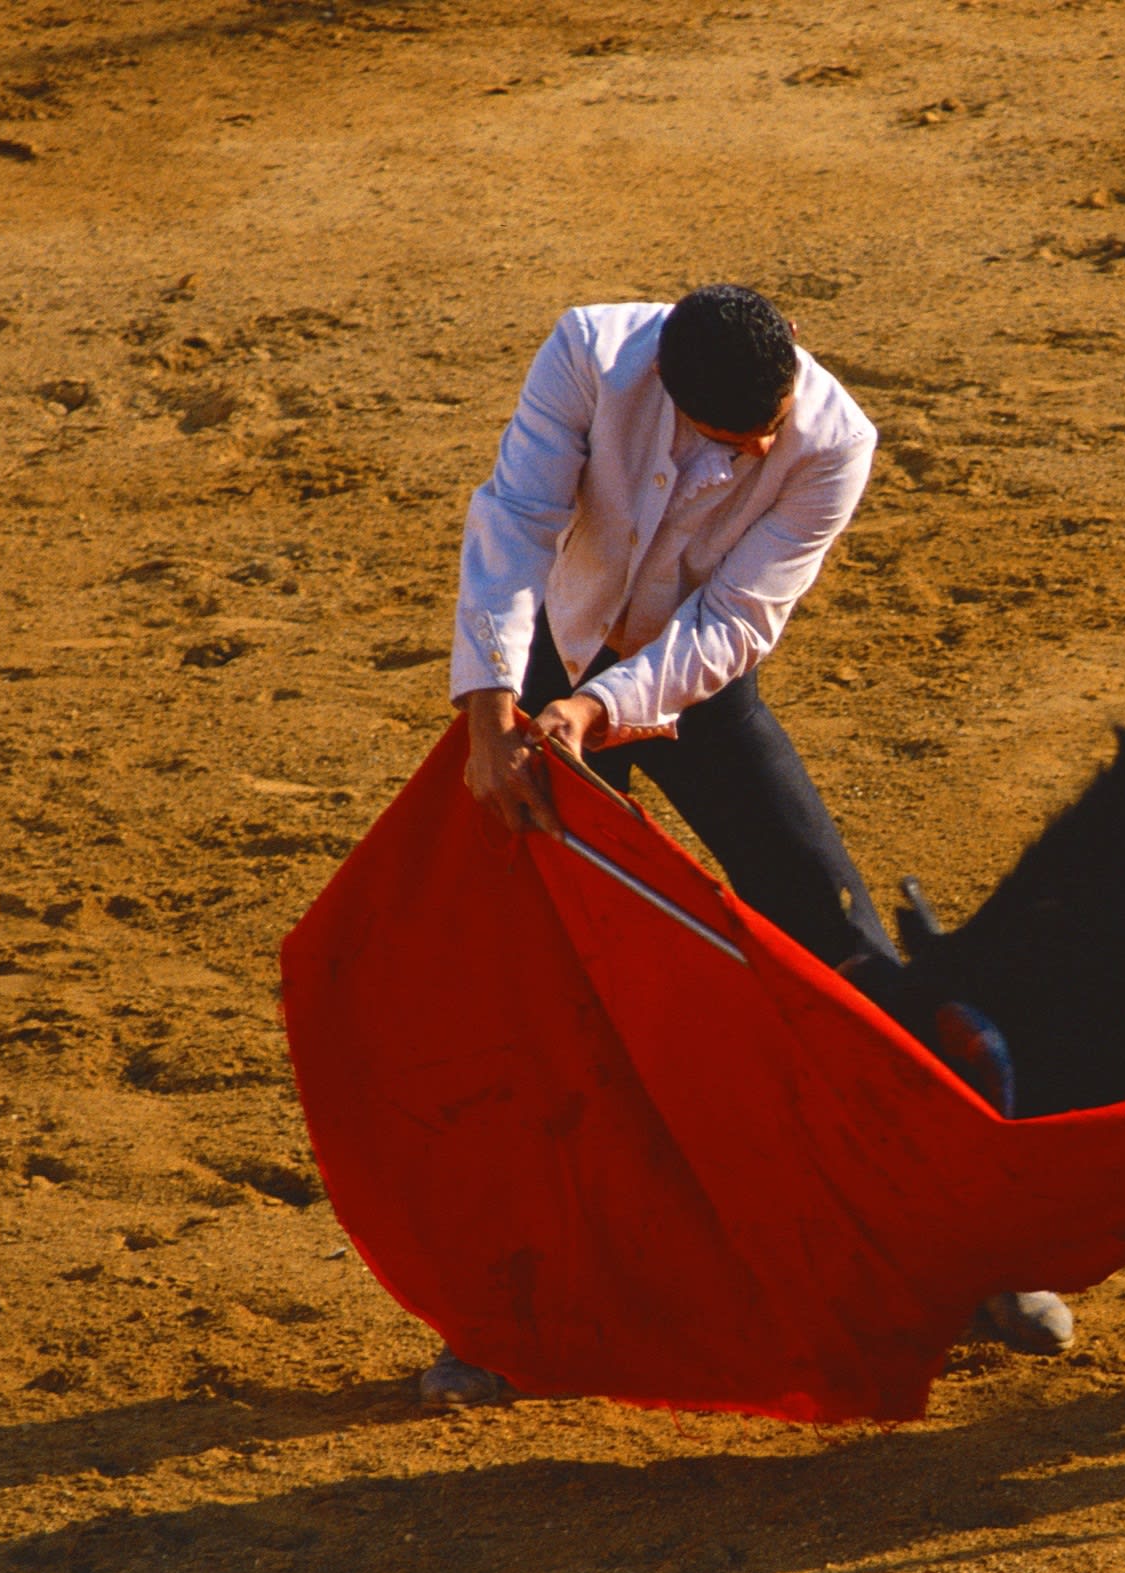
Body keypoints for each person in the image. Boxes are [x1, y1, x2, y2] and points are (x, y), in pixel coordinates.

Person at [418, 286, 1073, 1407]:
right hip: (538, 674)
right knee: (527, 988)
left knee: (842, 946)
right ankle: (506, 1315)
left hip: (699, 688)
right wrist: (492, 709)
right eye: (736, 438)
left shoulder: (835, 439)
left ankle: (974, 1255)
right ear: (668, 397)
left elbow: (730, 625)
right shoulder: (588, 353)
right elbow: (518, 519)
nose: (765, 446)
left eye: (772, 419)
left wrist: (602, 710)